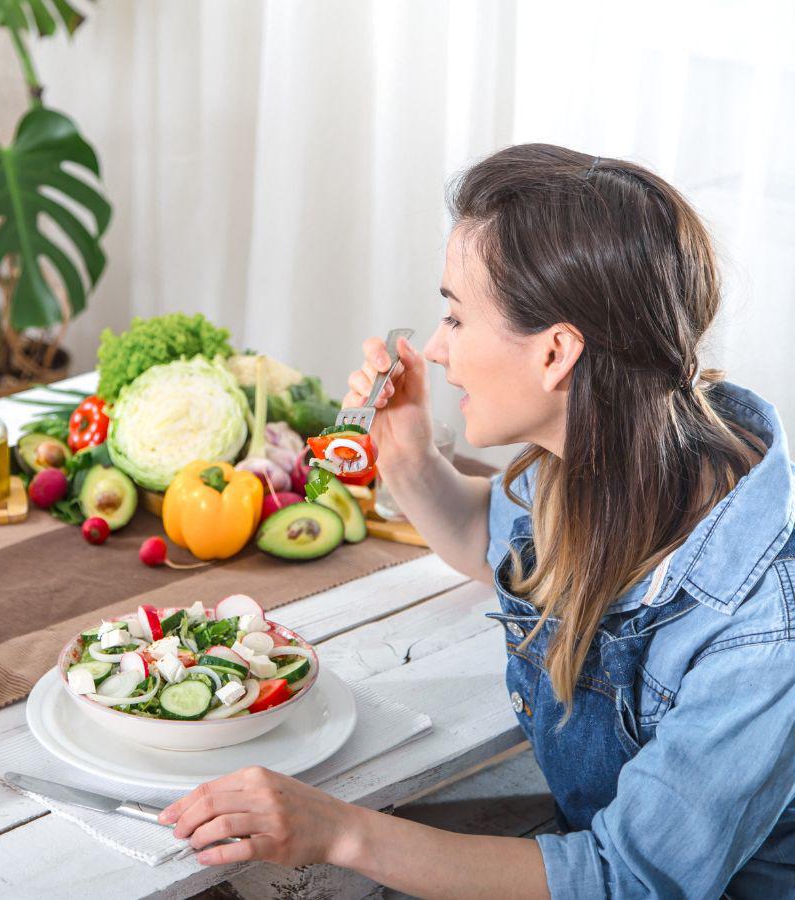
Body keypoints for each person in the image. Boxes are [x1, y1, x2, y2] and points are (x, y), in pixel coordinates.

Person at [158, 144, 795, 898]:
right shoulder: (618, 453)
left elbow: (622, 882)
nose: (435, 348)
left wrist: (339, 828)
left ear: (557, 352)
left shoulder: (763, 629)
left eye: (456, 317)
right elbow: (486, 545)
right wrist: (410, 456)